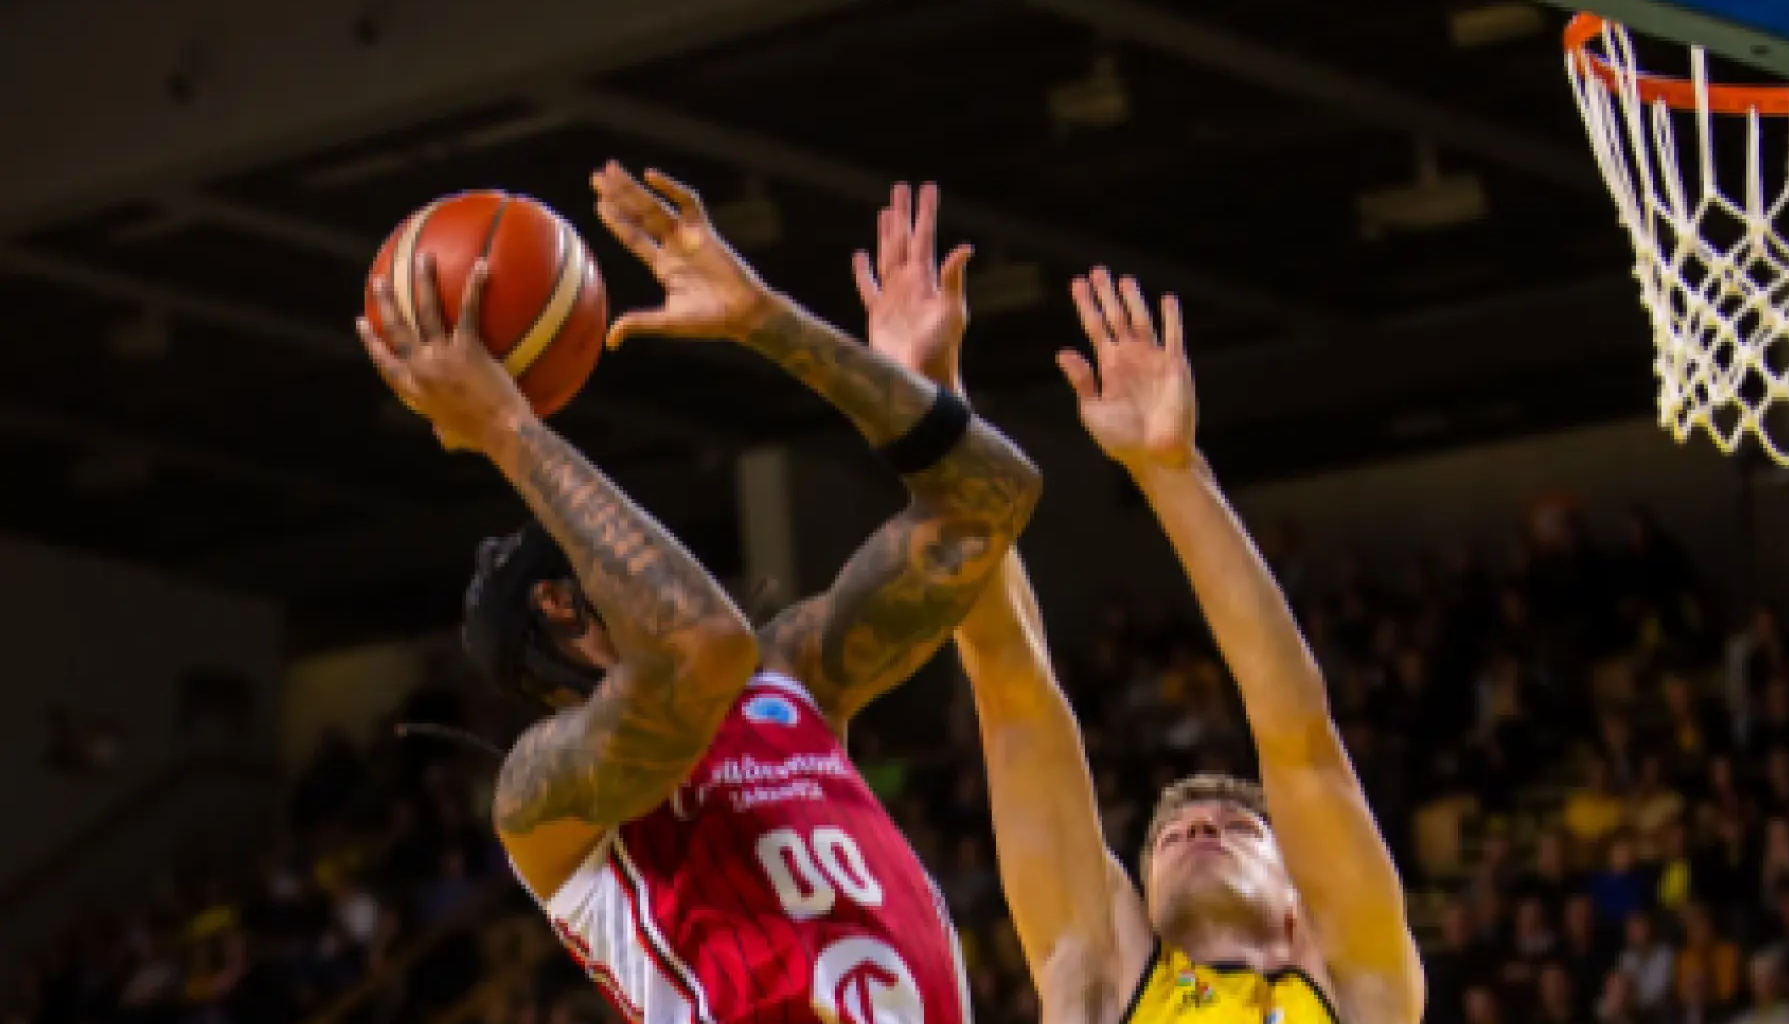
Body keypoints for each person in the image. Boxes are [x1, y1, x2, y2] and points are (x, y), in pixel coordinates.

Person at [357, 163, 1042, 1024]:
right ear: (564, 604)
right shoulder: (543, 794)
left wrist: (768, 322)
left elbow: (993, 500)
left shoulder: (790, 677)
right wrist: (507, 429)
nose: (663, 549)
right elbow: (701, 646)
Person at [855, 185, 1422, 1024]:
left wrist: (1172, 473)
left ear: (1301, 903)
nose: (1198, 828)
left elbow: (1294, 730)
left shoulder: (1351, 982)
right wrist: (932, 413)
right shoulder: (1100, 970)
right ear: (1140, 903)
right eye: (1172, 834)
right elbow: (1013, 692)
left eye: (1234, 825)